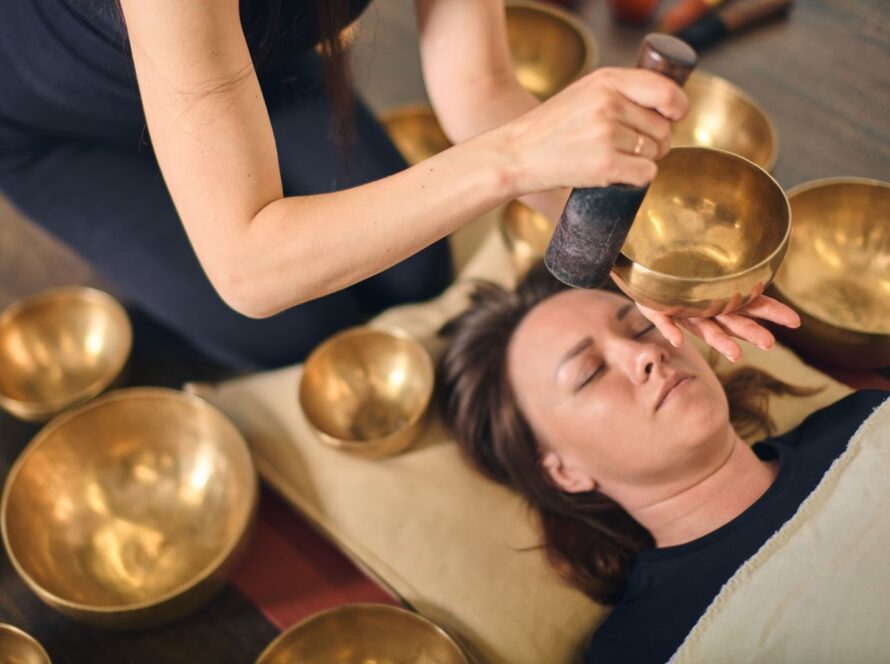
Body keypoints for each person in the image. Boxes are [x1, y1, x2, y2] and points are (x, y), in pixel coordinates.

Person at [0, 0, 783, 368]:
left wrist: (634, 259)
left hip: (245, 67)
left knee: (415, 268)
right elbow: (250, 267)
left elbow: (477, 86)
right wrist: (518, 156)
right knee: (292, 335)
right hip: (54, 127)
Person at [437, 263, 888, 663]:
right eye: (591, 372)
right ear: (564, 471)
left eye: (639, 328)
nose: (645, 354)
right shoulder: (646, 646)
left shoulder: (863, 424)